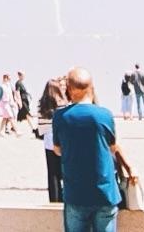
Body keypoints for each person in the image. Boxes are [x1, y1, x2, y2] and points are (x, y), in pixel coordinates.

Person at [53, 66, 138, 232]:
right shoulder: (104, 115)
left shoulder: (60, 117)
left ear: (69, 89)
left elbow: (57, 150)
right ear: (91, 87)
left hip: (76, 192)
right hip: (104, 192)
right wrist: (129, 167)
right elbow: (113, 147)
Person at [39, 75, 69, 202]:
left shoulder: (42, 105)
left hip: (48, 140)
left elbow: (40, 127)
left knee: (52, 173)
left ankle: (54, 199)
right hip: (62, 140)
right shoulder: (63, 105)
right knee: (65, 170)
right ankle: (66, 196)